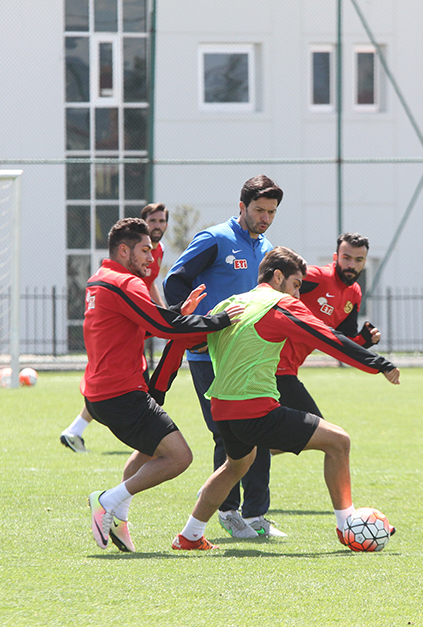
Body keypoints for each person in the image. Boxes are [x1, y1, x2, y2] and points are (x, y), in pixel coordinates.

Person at [154, 247, 401, 551]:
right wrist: (378, 363)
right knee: (339, 442)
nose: (299, 295)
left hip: (222, 408)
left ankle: (190, 535)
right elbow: (327, 337)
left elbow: (187, 340)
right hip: (255, 409)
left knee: (236, 466)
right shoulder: (279, 305)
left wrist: (159, 385)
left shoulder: (232, 302)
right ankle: (347, 525)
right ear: (279, 277)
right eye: (297, 285)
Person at [80, 217, 242, 553]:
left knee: (148, 452)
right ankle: (107, 500)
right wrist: (219, 320)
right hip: (121, 394)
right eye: (144, 250)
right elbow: (165, 327)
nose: (151, 258)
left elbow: (150, 323)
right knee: (179, 457)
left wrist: (181, 313)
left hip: (101, 394)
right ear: (123, 250)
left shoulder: (99, 279)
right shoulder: (126, 283)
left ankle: (118, 515)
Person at [162, 174, 284, 538]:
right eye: (259, 210)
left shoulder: (267, 249)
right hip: (209, 356)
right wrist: (192, 326)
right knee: (226, 434)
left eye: (272, 211)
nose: (265, 217)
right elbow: (175, 280)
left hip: (253, 358)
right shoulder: (215, 239)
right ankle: (229, 512)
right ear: (242, 207)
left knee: (261, 430)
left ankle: (257, 516)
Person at [60, 203, 170, 453]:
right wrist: (166, 320)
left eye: (162, 221)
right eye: (153, 221)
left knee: (121, 379)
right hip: (127, 313)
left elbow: (151, 282)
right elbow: (139, 287)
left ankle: (77, 429)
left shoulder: (157, 251)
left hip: (137, 314)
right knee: (118, 381)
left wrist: (161, 312)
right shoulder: (118, 276)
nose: (158, 226)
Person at [276, 232, 381, 417]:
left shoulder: (354, 293)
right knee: (323, 435)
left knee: (287, 434)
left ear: (365, 262)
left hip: (289, 369)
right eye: (346, 258)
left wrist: (366, 340)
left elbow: (343, 342)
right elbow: (272, 284)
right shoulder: (318, 277)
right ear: (335, 257)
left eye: (358, 260)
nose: (351, 265)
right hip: (272, 366)